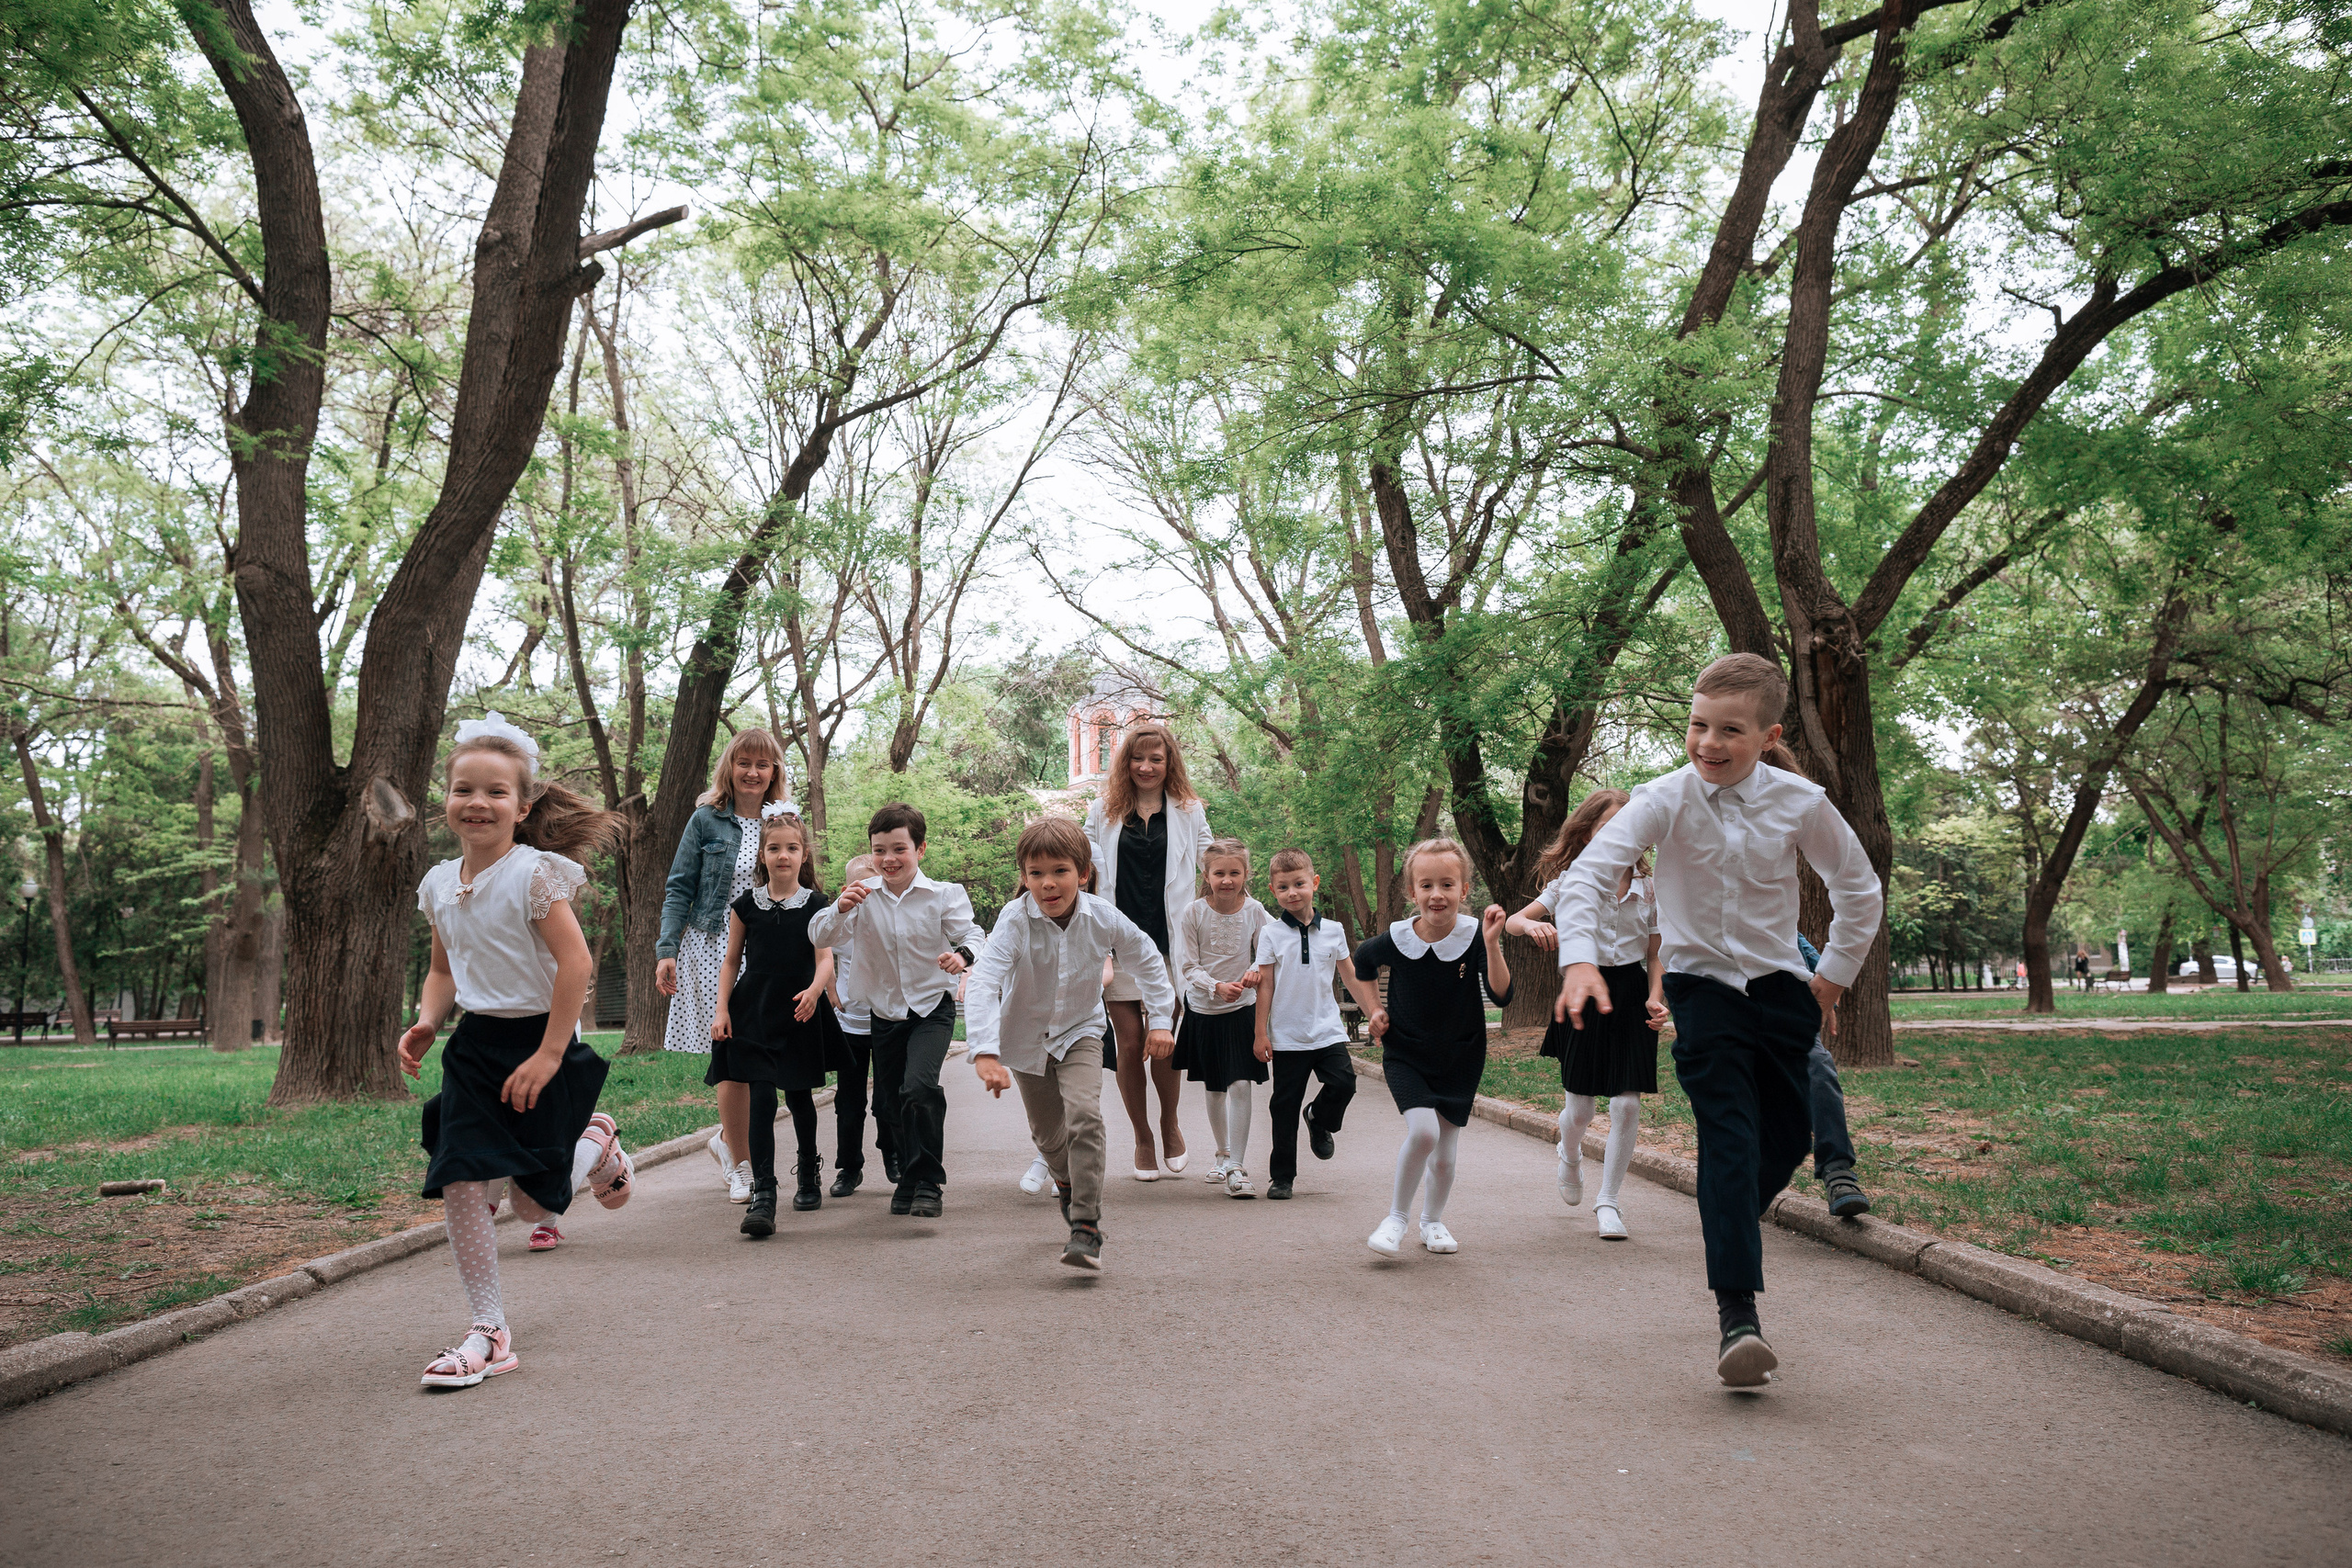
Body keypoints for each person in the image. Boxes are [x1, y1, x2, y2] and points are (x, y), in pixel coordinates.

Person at [1557, 653, 1883, 1389]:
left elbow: (1858, 890)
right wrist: (1579, 960)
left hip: (1780, 990)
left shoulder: (1801, 801)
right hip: (1700, 988)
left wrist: (1828, 983)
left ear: (1768, 735)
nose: (1708, 742)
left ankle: (1728, 1212)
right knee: (1729, 1135)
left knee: (1789, 1136)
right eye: (1697, 725)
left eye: (1729, 730)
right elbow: (1588, 871)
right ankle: (1738, 1314)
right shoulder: (1663, 798)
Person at [398, 714, 632, 1389]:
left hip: (543, 1041)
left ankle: (596, 1142)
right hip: (475, 1048)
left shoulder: (535, 875)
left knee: (534, 1208)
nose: (478, 802)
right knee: (462, 1173)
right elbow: (444, 969)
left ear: (522, 806)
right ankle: (489, 1329)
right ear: (445, 798)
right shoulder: (440, 883)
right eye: (463, 788)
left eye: (496, 792)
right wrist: (426, 1020)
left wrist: (552, 1053)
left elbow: (576, 964)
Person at [969, 818, 1176, 1270]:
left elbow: (1148, 961)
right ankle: (1064, 1182)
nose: (1048, 884)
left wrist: (1160, 1022)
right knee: (1048, 1136)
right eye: (1036, 873)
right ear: (1023, 877)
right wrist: (984, 1050)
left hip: (1081, 1030)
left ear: (1082, 873)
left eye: (1059, 871)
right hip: (1025, 1039)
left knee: (1085, 1116)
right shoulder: (1014, 920)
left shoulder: (1103, 917)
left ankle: (1086, 1225)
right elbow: (984, 980)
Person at [808, 802, 986, 1219]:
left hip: (931, 1009)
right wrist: (840, 907)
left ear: (920, 849)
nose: (889, 859)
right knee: (889, 1106)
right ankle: (908, 1177)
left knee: (919, 1089)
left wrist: (962, 956)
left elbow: (973, 934)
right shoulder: (862, 898)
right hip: (884, 1014)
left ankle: (928, 1182)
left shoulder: (944, 894)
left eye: (899, 849)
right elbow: (817, 933)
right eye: (879, 850)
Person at [1507, 788, 1663, 1241]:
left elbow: (1657, 954)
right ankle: (1570, 1155)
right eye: (1606, 827)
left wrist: (1657, 995)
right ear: (1588, 833)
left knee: (1627, 1104)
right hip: (1582, 991)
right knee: (1580, 1109)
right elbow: (1516, 920)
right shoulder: (1572, 880)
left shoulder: (1651, 888)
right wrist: (1533, 923)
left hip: (1631, 993)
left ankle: (1608, 1201)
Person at [1351, 839, 1512, 1258]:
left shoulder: (1476, 934)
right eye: (1426, 885)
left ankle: (1433, 1222)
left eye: (1447, 884)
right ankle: (1396, 1220)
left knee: (1445, 1151)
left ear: (1463, 889)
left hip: (1460, 1055)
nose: (1436, 894)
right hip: (1406, 1052)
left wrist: (1493, 944)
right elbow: (1362, 963)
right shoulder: (1396, 938)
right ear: (1412, 892)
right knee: (1423, 1132)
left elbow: (1502, 996)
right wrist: (1373, 1009)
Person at [655, 728, 794, 1201]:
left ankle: (729, 1142)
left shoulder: (787, 820)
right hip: (714, 948)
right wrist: (666, 949)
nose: (753, 772)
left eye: (763, 764)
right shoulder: (706, 821)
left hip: (769, 951)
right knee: (731, 1056)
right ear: (729, 768)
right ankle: (741, 1165)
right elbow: (680, 886)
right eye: (744, 763)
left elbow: (803, 887)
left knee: (762, 1058)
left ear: (774, 770)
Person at [1083, 719, 1213, 1180]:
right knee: (1129, 1042)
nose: (1146, 766)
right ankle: (1142, 1136)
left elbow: (1212, 862)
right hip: (1117, 943)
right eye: (1138, 758)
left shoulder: (1189, 809)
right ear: (1126, 762)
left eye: (1156, 759)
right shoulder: (1103, 810)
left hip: (1169, 944)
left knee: (1163, 1039)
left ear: (1169, 762)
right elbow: (1084, 868)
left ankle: (1170, 1123)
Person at [710, 806, 845, 1235]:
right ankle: (764, 1194)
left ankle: (808, 1171)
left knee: (801, 1099)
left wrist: (814, 990)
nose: (782, 855)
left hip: (799, 1010)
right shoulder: (746, 905)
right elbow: (731, 961)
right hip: (755, 1012)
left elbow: (825, 960)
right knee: (762, 1099)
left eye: (791, 848)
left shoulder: (817, 905)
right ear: (763, 855)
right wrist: (722, 1008)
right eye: (774, 848)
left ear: (804, 854)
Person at [1252, 850, 1379, 1201]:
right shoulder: (1272, 934)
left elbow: (1350, 977)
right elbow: (1266, 984)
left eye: (1299, 884)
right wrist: (1261, 1032)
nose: (1292, 892)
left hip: (1326, 1030)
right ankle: (1282, 1177)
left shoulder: (1335, 931)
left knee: (1345, 1082)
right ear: (1273, 891)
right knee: (1283, 1106)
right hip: (1288, 1037)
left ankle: (1319, 1118)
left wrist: (1373, 1013)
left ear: (1314, 883)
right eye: (1283, 887)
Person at [1174, 839, 1272, 1196]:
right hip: (1204, 1010)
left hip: (1242, 1010)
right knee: (1215, 1088)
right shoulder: (1194, 913)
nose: (1227, 880)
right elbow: (1187, 964)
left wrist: (1252, 972)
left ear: (1246, 873)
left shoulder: (1257, 911)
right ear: (1207, 874)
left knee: (1241, 1083)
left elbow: (1270, 949)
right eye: (1220, 873)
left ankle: (1237, 1167)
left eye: (1235, 872)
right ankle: (1222, 1153)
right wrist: (1214, 986)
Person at [827, 852, 899, 1196]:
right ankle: (848, 1168)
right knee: (848, 1103)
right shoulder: (841, 924)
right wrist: (827, 985)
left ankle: (892, 1153)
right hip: (849, 1027)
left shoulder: (891, 921)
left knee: (887, 1100)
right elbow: (820, 946)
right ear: (848, 889)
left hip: (886, 1023)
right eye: (863, 885)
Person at [1797, 932, 1871, 1218]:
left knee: (1819, 1066)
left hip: (1788, 1012)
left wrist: (1829, 999)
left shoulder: (1775, 909)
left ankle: (1838, 1172)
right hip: (1729, 1011)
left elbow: (1804, 949)